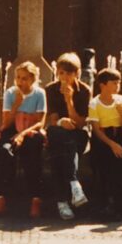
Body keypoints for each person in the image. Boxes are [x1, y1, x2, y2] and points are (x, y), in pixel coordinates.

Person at [0, 60, 46, 218]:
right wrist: (16, 105)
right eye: (18, 78)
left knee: (33, 152)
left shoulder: (39, 93)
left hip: (31, 130)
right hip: (13, 128)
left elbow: (40, 122)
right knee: (4, 151)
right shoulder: (10, 93)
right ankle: (1, 198)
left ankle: (35, 199)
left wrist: (23, 134)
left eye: (24, 78)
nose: (20, 82)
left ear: (33, 79)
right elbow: (6, 122)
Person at [45, 52, 92, 220]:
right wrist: (61, 121)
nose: (65, 77)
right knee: (59, 135)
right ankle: (74, 184)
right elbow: (52, 119)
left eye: (69, 73)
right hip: (58, 131)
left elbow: (80, 123)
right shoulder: (51, 89)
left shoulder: (84, 90)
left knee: (62, 149)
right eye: (61, 73)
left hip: (77, 134)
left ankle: (62, 202)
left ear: (77, 73)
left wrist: (69, 100)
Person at [88, 68, 122, 218]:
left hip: (118, 135)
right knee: (104, 161)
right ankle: (107, 202)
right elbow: (96, 130)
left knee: (119, 163)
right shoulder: (94, 103)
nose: (117, 86)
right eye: (114, 83)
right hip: (103, 138)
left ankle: (116, 203)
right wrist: (112, 144)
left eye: (118, 83)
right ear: (103, 85)